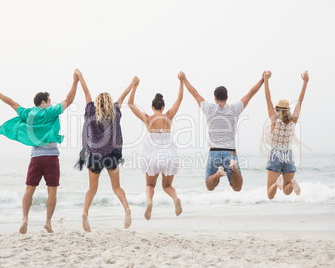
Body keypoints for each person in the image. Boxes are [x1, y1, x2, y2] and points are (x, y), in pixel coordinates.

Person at [0, 71, 79, 234]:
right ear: (44, 102)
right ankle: (47, 223)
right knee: (52, 190)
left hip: (35, 159)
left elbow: (10, 102)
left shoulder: (28, 113)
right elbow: (69, 100)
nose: (52, 103)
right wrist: (75, 82)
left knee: (29, 189)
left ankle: (25, 218)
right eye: (50, 101)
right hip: (51, 157)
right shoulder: (50, 112)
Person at [178, 71, 264, 192]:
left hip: (214, 152)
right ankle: (234, 169)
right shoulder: (234, 109)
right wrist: (262, 79)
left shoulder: (209, 109)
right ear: (227, 97)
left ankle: (218, 174)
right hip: (230, 152)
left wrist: (184, 79)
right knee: (237, 187)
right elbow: (250, 94)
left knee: (209, 186)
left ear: (215, 98)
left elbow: (195, 94)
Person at [75, 69, 134, 231]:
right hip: (111, 156)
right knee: (117, 187)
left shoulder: (90, 110)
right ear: (109, 102)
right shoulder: (114, 112)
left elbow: (86, 91)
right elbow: (122, 96)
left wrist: (80, 76)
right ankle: (126, 208)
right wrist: (133, 83)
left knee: (92, 189)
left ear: (97, 102)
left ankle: (85, 212)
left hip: (94, 155)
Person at [127, 76, 183, 220]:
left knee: (150, 185)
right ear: (163, 107)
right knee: (167, 186)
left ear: (152, 107)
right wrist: (181, 81)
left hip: (153, 158)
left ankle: (150, 202)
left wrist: (134, 85)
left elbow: (130, 104)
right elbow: (179, 99)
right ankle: (175, 199)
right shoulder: (168, 116)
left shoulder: (148, 119)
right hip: (169, 157)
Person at [263, 70, 309, 199]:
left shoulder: (274, 121)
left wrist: (266, 80)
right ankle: (291, 183)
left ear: (277, 110)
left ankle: (277, 182)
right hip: (288, 155)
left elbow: (268, 99)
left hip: (275, 155)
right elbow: (300, 101)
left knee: (270, 194)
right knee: (286, 190)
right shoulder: (293, 121)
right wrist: (305, 83)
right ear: (288, 111)